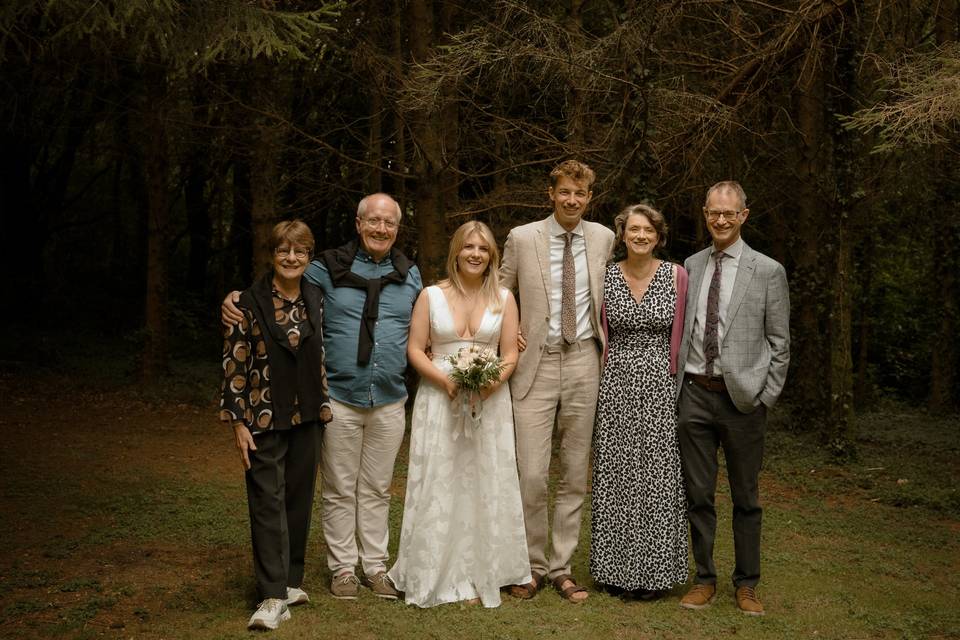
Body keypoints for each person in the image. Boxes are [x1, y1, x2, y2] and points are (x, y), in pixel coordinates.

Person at [223, 193, 421, 601]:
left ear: (397, 229)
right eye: (373, 221)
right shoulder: (324, 270)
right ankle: (343, 567)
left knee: (378, 487)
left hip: (389, 397)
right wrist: (232, 300)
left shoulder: (411, 275)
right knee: (339, 487)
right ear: (358, 223)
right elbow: (278, 286)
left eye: (389, 223)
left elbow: (432, 323)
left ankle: (375, 565)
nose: (381, 229)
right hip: (340, 397)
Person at [387, 221, 530, 608]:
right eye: (469, 247)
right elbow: (416, 350)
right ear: (456, 251)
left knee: (488, 478)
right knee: (441, 477)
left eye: (483, 249)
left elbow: (511, 354)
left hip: (490, 399)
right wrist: (445, 381)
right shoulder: (430, 296)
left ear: (492, 256)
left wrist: (490, 384)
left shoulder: (504, 297)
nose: (475, 254)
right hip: (440, 398)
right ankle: (435, 565)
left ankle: (489, 567)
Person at [500, 160, 615, 603]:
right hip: (536, 363)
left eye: (580, 194)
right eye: (565, 192)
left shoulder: (604, 238)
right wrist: (507, 335)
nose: (572, 200)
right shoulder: (523, 237)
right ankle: (531, 565)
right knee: (531, 474)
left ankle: (562, 567)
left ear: (589, 197)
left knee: (573, 473)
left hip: (586, 360)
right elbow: (500, 293)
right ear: (551, 193)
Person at [675, 181, 790, 616]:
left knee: (746, 497)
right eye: (713, 212)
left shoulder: (768, 271)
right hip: (695, 397)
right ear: (705, 213)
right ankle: (704, 579)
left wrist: (765, 397)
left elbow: (780, 343)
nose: (721, 220)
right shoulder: (690, 265)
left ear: (744, 214)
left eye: (730, 213)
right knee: (698, 494)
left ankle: (747, 585)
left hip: (743, 401)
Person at [219, 220, 333, 630]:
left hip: (308, 415)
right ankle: (271, 595)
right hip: (262, 416)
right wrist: (237, 421)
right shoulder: (247, 302)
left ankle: (290, 580)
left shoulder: (315, 297)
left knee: (298, 500)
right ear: (273, 254)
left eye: (300, 251)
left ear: (309, 256)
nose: (291, 258)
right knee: (267, 501)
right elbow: (234, 364)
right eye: (284, 250)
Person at [590, 204, 689, 598]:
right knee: (617, 475)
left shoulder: (676, 275)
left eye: (648, 230)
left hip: (660, 387)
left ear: (658, 235)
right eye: (634, 229)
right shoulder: (606, 276)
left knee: (657, 478)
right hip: (615, 386)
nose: (641, 236)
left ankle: (654, 574)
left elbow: (684, 334)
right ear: (623, 234)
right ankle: (614, 571)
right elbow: (594, 328)